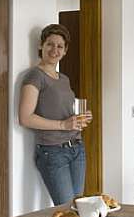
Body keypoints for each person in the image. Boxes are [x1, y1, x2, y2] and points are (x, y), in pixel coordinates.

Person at [19, 24, 91, 205]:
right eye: (50, 44)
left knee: (79, 207)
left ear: (65, 51)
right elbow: (25, 118)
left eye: (60, 46)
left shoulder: (64, 79)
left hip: (77, 148)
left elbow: (61, 110)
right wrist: (63, 125)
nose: (54, 50)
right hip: (53, 151)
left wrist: (79, 118)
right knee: (67, 210)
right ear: (41, 45)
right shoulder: (35, 76)